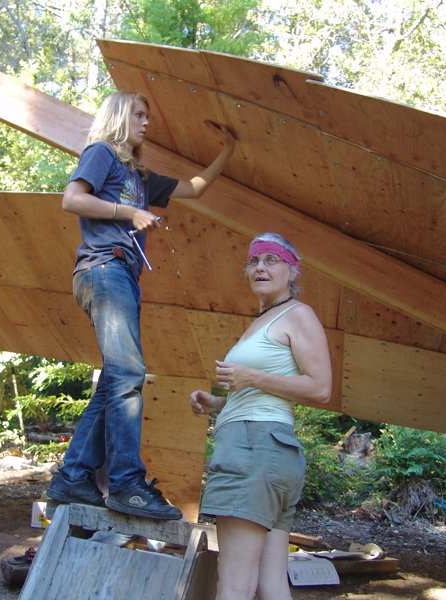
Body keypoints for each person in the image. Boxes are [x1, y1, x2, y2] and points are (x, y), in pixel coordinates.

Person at [47, 90, 236, 520]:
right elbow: (72, 199)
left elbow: (196, 188)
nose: (146, 122)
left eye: (147, 115)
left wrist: (228, 149)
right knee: (129, 374)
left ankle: (74, 476)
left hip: (123, 279)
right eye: (138, 114)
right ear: (118, 116)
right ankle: (126, 483)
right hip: (103, 269)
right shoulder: (102, 155)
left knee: (118, 376)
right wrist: (128, 214)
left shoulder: (141, 177)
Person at [189, 232, 333, 599]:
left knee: (234, 584)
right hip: (268, 452)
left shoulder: (297, 314)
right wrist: (219, 404)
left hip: (255, 449)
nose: (260, 268)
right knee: (271, 586)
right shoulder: (261, 320)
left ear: (292, 271)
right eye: (253, 261)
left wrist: (249, 376)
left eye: (271, 260)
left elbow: (320, 388)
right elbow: (266, 390)